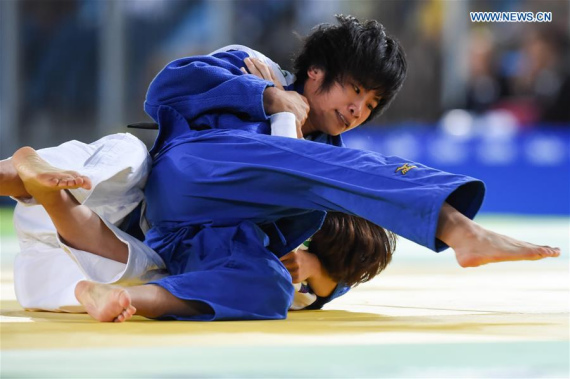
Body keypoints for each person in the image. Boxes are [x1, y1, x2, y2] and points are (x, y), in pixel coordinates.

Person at [2, 15, 560, 322]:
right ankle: (454, 226)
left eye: (370, 106)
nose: (357, 111)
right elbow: (167, 88)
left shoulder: (328, 166)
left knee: (268, 288)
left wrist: (317, 277)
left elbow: (336, 263)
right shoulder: (258, 68)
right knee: (312, 165)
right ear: (315, 74)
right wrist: (266, 98)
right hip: (194, 172)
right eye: (355, 91)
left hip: (192, 241)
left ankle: (129, 301)